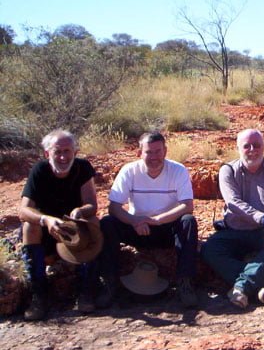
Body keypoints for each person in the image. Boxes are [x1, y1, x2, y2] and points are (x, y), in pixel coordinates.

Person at [99, 131, 199, 307]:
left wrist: (158, 219)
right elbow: (114, 207)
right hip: (137, 228)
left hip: (166, 228)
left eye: (158, 151)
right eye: (149, 152)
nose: (154, 157)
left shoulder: (178, 170)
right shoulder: (129, 171)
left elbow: (187, 206)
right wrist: (134, 220)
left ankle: (185, 282)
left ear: (165, 151)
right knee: (107, 223)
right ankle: (109, 282)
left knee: (188, 221)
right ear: (139, 152)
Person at [201, 129, 264, 309]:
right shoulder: (227, 171)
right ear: (238, 148)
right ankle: (258, 282)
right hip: (235, 230)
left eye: (257, 145)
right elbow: (233, 203)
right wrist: (263, 218)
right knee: (210, 249)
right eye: (246, 146)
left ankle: (241, 288)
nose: (252, 150)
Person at [18, 129, 100, 320]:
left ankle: (86, 289)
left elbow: (92, 205)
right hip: (46, 232)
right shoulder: (39, 170)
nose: (63, 157)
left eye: (67, 151)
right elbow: (23, 210)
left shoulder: (83, 168)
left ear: (75, 152)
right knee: (30, 226)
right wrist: (46, 219)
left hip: (73, 231)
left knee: (93, 222)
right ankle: (39, 294)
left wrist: (81, 211)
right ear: (47, 153)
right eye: (57, 152)